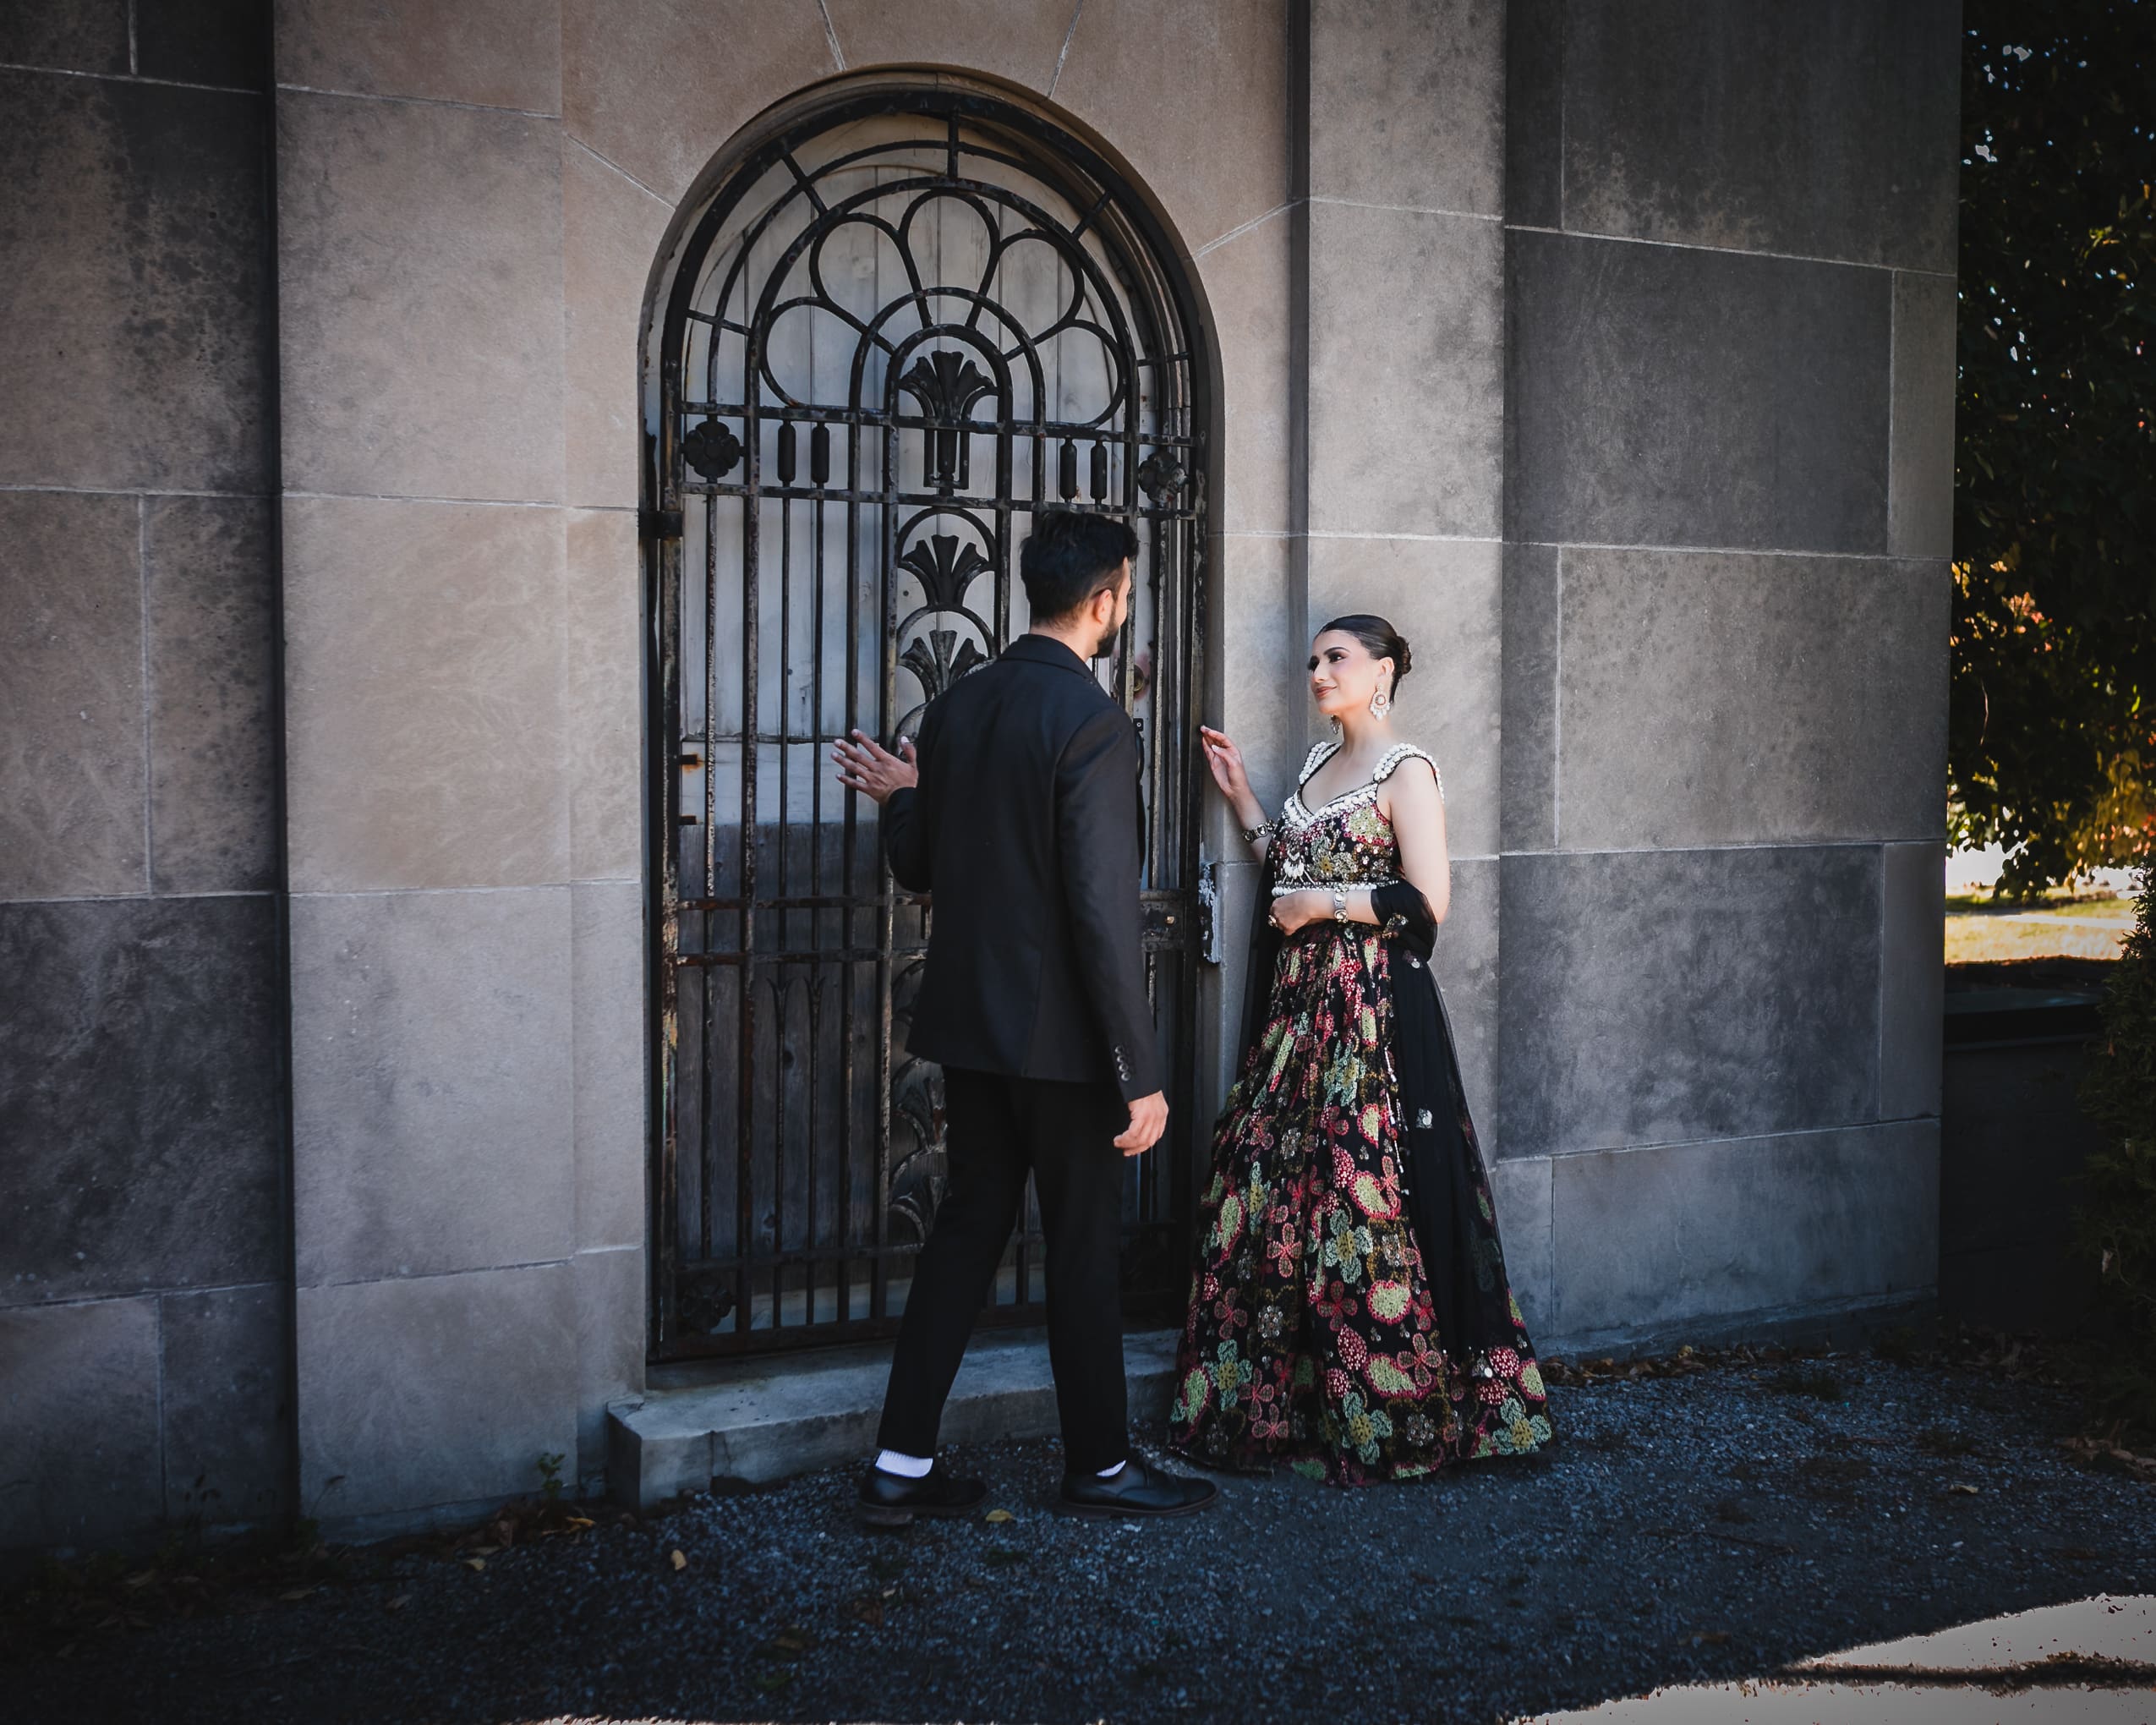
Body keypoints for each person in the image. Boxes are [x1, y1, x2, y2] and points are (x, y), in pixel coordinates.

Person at [832, 509, 1219, 1525]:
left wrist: (905, 797)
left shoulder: (957, 708)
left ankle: (899, 1470)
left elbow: (917, 863)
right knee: (1083, 1247)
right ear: (1105, 601)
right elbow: (1101, 908)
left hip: (971, 1029)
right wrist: (1139, 1066)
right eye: (1127, 594)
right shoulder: (1092, 724)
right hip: (1062, 1046)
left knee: (965, 1234)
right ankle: (1098, 1467)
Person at [1167, 614, 1556, 1482]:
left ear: (1381, 672)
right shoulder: (1313, 767)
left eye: (1335, 658)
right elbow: (1288, 870)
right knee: (1268, 1192)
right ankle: (1286, 1400)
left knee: (1361, 1198)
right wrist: (1243, 801)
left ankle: (1392, 1412)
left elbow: (1429, 902)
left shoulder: (1405, 770)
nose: (1317, 671)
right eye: (1311, 660)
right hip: (1299, 1019)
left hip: (1371, 1020)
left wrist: (1321, 910)